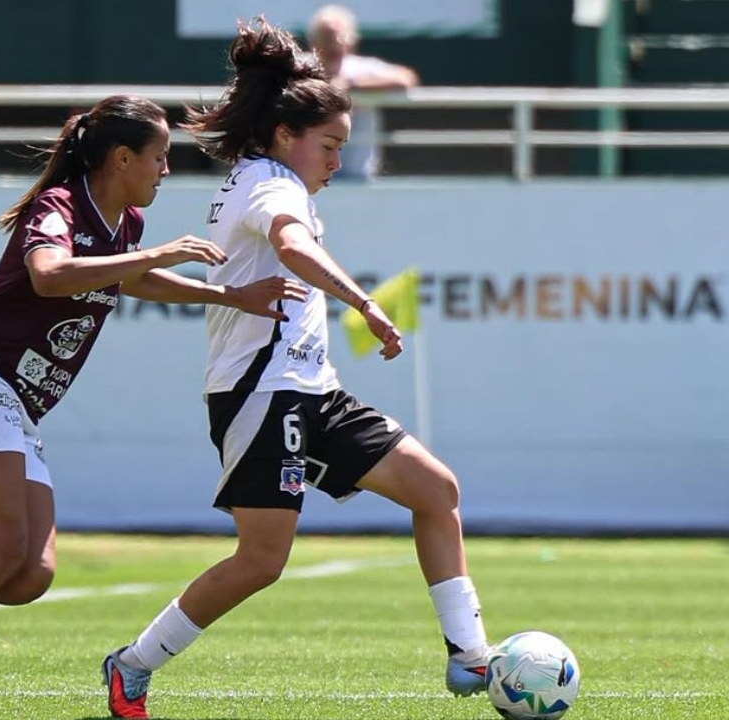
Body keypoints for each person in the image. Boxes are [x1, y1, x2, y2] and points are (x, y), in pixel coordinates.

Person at [0, 94, 309, 720]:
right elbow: (50, 274)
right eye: (159, 156)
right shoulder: (60, 205)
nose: (165, 169)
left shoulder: (126, 223)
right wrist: (157, 254)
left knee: (28, 574)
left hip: (13, 401)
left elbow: (131, 279)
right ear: (121, 158)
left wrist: (231, 295)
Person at [100, 18, 490, 720]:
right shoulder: (271, 185)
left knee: (437, 491)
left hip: (312, 390)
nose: (338, 160)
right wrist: (363, 302)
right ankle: (132, 664)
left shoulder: (271, 179)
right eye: (330, 145)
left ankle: (471, 654)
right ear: (285, 135)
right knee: (261, 561)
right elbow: (292, 247)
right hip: (262, 393)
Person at [306, 3, 420, 180]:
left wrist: (352, 85)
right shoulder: (300, 67)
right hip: (307, 175)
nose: (334, 44)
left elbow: (406, 78)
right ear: (313, 41)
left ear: (351, 40)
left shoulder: (361, 68)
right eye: (327, 37)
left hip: (357, 176)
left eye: (340, 37)